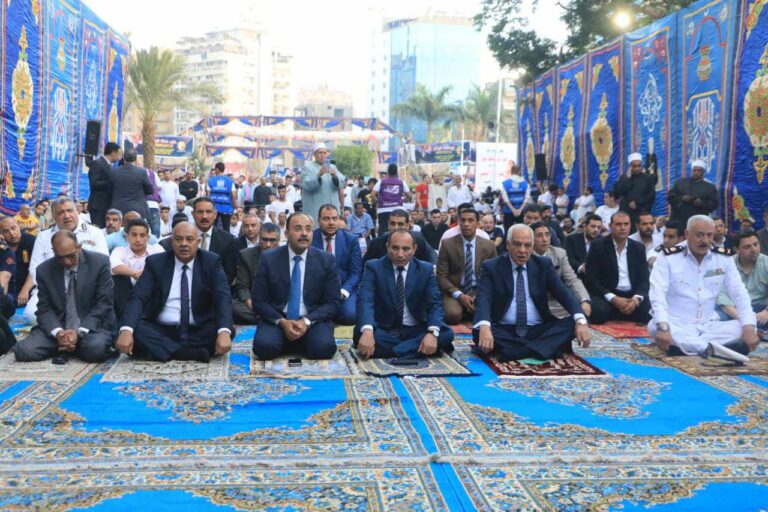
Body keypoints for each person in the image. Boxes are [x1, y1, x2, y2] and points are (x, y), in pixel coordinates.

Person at [116, 222, 234, 362]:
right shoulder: (156, 262)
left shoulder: (211, 262)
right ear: (172, 242)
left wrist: (224, 332)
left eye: (189, 239)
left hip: (198, 328)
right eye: (178, 239)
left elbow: (222, 297)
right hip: (162, 329)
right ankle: (186, 353)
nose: (184, 244)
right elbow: (138, 297)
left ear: (198, 242)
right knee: (134, 328)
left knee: (226, 330)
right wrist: (127, 330)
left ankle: (165, 350)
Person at [473, 224, 591, 362]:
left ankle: (515, 351)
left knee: (577, 320)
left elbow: (563, 294)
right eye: (517, 244)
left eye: (528, 245)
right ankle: (544, 348)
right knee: (479, 330)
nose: (522, 250)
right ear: (508, 245)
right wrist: (485, 326)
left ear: (533, 245)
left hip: (538, 328)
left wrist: (580, 321)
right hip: (504, 328)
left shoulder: (543, 265)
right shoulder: (492, 266)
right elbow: (483, 298)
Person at [649, 215, 759, 358]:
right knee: (654, 325)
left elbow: (739, 292)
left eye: (709, 235)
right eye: (700, 235)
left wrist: (749, 326)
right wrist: (663, 326)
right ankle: (714, 349)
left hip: (709, 325)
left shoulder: (723, 258)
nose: (705, 240)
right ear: (687, 234)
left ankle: (690, 348)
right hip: (677, 324)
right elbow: (657, 293)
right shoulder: (668, 257)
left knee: (747, 325)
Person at [14, 231, 116, 363]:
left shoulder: (99, 262)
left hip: (92, 326)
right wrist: (58, 333)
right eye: (61, 257)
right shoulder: (44, 270)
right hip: (60, 324)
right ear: (54, 252)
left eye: (71, 256)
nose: (67, 262)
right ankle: (68, 344)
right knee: (24, 350)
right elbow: (44, 309)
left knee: (95, 349)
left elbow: (104, 303)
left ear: (79, 247)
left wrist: (79, 332)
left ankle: (72, 345)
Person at [251, 213, 341, 360]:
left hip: (312, 319)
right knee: (264, 348)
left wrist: (306, 321)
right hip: (279, 318)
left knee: (324, 348)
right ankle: (292, 341)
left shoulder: (326, 260)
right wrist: (282, 322)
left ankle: (298, 342)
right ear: (287, 234)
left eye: (308, 229)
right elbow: (258, 300)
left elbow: (333, 302)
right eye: (298, 229)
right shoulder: (269, 259)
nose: (304, 233)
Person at [355, 228, 455, 359]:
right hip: (385, 328)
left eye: (406, 249)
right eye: (395, 248)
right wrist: (368, 331)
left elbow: (435, 304)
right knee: (360, 332)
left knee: (446, 334)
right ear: (387, 246)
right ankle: (417, 350)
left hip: (415, 328)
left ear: (414, 249)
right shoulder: (374, 267)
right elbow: (365, 300)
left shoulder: (425, 269)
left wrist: (432, 333)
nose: (400, 254)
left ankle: (389, 352)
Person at [22, 197, 109, 325]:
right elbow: (35, 269)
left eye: (70, 210)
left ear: (77, 211)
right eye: (61, 212)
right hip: (53, 290)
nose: (66, 215)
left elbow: (103, 266)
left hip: (87, 290)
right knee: (32, 315)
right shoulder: (44, 236)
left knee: (94, 315)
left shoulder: (94, 232)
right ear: (54, 216)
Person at [585, 211, 651, 324]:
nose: (623, 228)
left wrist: (636, 299)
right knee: (598, 312)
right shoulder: (598, 245)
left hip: (632, 295)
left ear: (631, 225)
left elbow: (644, 279)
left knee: (649, 311)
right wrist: (613, 298)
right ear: (610, 226)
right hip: (608, 294)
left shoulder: (638, 247)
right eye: (618, 224)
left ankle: (626, 311)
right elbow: (591, 279)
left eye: (626, 224)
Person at [437, 209, 497, 325]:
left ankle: (468, 310)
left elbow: (493, 275)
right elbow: (441, 276)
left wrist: (478, 295)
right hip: (454, 290)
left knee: (492, 313)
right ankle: (466, 311)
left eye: (470, 220)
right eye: (463, 220)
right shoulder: (447, 244)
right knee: (452, 315)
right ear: (458, 222)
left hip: (479, 290)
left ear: (478, 224)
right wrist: (459, 295)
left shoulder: (489, 245)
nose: (466, 224)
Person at [312, 205, 362, 326]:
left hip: (343, 288)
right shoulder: (310, 239)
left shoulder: (350, 240)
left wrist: (344, 291)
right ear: (318, 220)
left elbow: (356, 272)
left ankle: (327, 314)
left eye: (334, 218)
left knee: (350, 316)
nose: (331, 223)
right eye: (326, 219)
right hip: (317, 290)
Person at [531, 222, 591, 319]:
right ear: (531, 238)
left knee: (581, 315)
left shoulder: (559, 253)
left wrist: (584, 300)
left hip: (555, 303)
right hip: (532, 302)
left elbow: (572, 279)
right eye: (539, 235)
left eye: (547, 234)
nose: (545, 239)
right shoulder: (526, 255)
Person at [110, 218, 164, 318]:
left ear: (148, 237)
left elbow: (164, 268)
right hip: (126, 295)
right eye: (134, 235)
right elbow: (114, 266)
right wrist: (134, 274)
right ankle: (125, 318)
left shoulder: (157, 249)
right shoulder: (119, 250)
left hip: (151, 293)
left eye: (142, 235)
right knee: (118, 279)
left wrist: (145, 276)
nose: (138, 239)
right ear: (127, 236)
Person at [716, 230, 768, 327]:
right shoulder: (728, 263)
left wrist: (766, 312)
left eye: (756, 244)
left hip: (761, 310)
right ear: (737, 250)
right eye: (747, 247)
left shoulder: (766, 262)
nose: (753, 249)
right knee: (716, 318)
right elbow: (720, 293)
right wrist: (740, 316)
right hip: (734, 309)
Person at [232, 223, 281, 324]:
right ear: (259, 238)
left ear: (279, 240)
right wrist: (254, 307)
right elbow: (242, 287)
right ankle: (272, 319)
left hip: (277, 304)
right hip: (254, 303)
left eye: (272, 240)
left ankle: (269, 318)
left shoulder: (286, 255)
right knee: (229, 305)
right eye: (264, 240)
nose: (268, 244)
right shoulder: (246, 255)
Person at [191, 197, 238, 285]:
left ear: (215, 214)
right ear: (193, 214)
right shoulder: (183, 237)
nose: (204, 216)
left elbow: (229, 274)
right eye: (200, 212)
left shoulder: (228, 240)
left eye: (208, 212)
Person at [363, 209, 436, 264]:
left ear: (407, 226)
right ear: (388, 225)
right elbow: (365, 266)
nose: (396, 228)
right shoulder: (376, 244)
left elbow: (433, 257)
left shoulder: (418, 241)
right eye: (393, 224)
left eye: (400, 224)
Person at [301, 143, 345, 224]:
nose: (322, 155)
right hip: (315, 210)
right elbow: (305, 184)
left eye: (324, 153)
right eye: (320, 153)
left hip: (332, 209)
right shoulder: (307, 167)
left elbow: (342, 181)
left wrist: (335, 176)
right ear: (314, 154)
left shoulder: (333, 167)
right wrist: (318, 175)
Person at [667, 159, 719, 226]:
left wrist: (701, 203)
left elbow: (714, 204)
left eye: (699, 170)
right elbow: (670, 197)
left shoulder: (710, 187)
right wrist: (682, 198)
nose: (696, 172)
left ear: (703, 172)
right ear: (691, 171)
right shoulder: (680, 183)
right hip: (679, 220)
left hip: (698, 221)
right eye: (694, 170)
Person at [612, 153, 656, 228]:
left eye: (639, 166)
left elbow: (651, 197)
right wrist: (627, 179)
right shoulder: (624, 178)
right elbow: (617, 194)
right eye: (634, 166)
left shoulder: (647, 178)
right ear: (630, 166)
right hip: (626, 214)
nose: (637, 168)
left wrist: (637, 204)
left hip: (642, 213)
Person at [109, 148, 153, 220]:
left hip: (118, 210)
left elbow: (109, 190)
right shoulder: (141, 172)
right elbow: (150, 190)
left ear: (123, 159)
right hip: (138, 210)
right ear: (135, 159)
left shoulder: (114, 172)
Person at [87, 142, 121, 228]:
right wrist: (111, 182)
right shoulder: (97, 163)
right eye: (118, 154)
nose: (119, 157)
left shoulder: (110, 166)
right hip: (98, 206)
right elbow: (94, 183)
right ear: (113, 153)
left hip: (107, 206)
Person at [0, 217, 35, 300]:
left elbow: (35, 268)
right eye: (6, 231)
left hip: (28, 289)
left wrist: (25, 290)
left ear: (19, 226)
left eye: (13, 228)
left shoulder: (32, 241)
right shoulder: (2, 247)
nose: (11, 233)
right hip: (7, 291)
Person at [565, 214, 603, 278]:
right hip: (576, 276)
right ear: (585, 226)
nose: (596, 230)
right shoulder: (572, 239)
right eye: (593, 226)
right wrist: (581, 267)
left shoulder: (603, 242)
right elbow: (568, 258)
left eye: (599, 227)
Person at [373, 163, 405, 236]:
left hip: (383, 210)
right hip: (397, 209)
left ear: (388, 172)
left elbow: (372, 194)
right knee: (398, 230)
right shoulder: (401, 182)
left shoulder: (381, 181)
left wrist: (378, 202)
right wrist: (402, 200)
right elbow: (409, 195)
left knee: (383, 231)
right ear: (396, 172)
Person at [500, 165, 530, 233]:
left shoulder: (505, 183)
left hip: (508, 211)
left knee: (508, 231)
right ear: (519, 172)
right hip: (521, 211)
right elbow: (526, 198)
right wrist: (520, 210)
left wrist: (513, 209)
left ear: (511, 172)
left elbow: (505, 199)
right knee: (521, 232)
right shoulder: (525, 183)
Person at [208, 162, 236, 233]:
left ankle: (214, 240)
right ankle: (227, 240)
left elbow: (208, 195)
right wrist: (234, 206)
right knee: (226, 228)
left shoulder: (210, 181)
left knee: (213, 228)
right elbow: (234, 195)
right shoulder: (230, 181)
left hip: (214, 208)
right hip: (227, 208)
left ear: (217, 169)